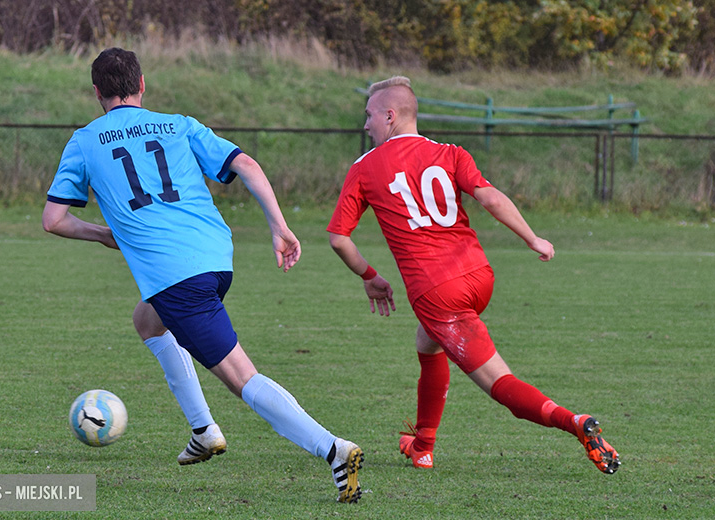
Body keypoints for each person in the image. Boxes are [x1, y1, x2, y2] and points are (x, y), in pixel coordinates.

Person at [42, 47, 363, 503]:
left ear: (96, 92)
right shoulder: (177, 123)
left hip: (177, 278)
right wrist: (279, 225)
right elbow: (246, 165)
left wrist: (104, 235)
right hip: (215, 259)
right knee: (148, 320)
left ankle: (333, 448)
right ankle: (204, 430)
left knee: (241, 377)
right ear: (142, 85)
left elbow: (54, 220)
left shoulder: (85, 140)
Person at [327, 76, 620, 475]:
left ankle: (576, 422)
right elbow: (490, 197)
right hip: (478, 276)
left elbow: (338, 239)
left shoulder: (364, 168)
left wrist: (370, 275)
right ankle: (423, 445)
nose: (365, 125)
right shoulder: (451, 153)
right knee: (427, 343)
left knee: (500, 384)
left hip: (436, 291)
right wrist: (532, 238)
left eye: (369, 116)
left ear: (390, 116)